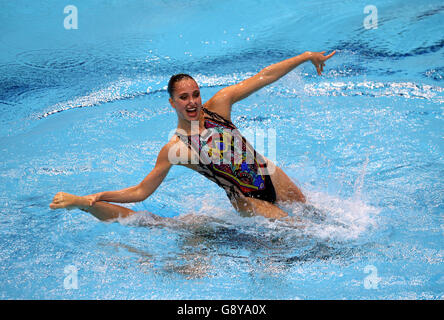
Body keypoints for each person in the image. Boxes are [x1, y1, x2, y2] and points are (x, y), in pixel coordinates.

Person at [50, 50, 336, 221]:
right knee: (302, 234)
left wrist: (305, 57)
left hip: (269, 174)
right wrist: (97, 196)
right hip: (247, 200)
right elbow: (140, 192)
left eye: (196, 94)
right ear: (172, 103)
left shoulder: (220, 105)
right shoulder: (176, 149)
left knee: (317, 218)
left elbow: (264, 76)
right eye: (184, 97)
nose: (192, 102)